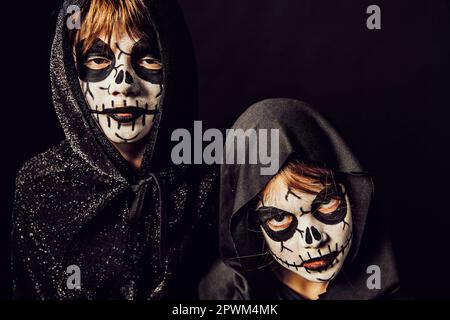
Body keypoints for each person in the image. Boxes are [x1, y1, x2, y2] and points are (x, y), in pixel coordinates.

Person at [12, 0, 218, 299]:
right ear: (69, 72)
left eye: (148, 59)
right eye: (97, 60)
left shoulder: (212, 181)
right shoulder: (41, 186)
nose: (122, 85)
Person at [199, 98, 400, 300]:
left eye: (326, 203)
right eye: (279, 218)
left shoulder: (392, 281)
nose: (313, 241)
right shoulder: (223, 297)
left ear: (354, 194)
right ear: (251, 223)